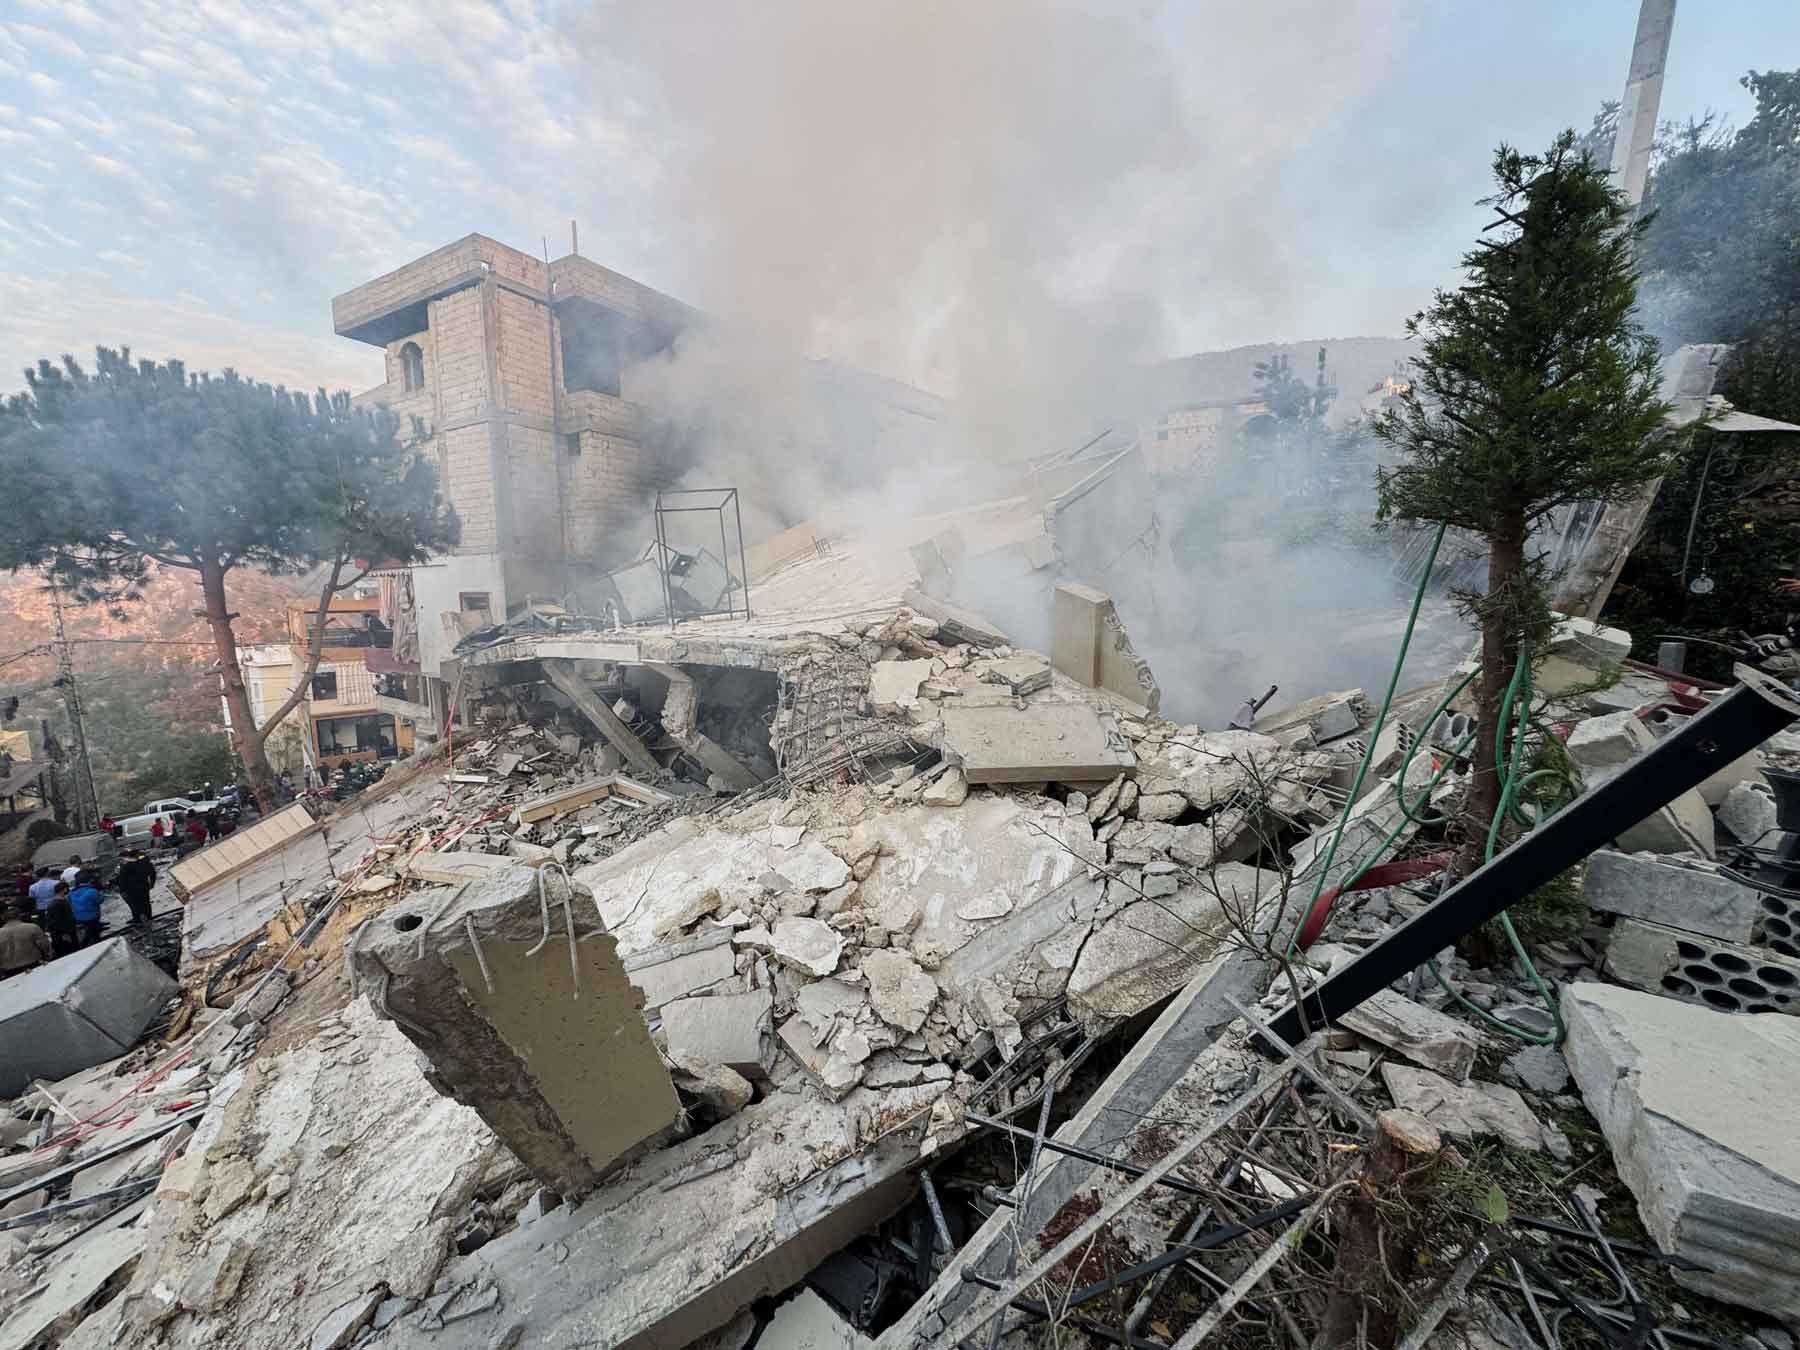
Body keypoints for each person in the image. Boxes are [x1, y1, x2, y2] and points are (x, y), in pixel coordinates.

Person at [0, 902, 51, 977]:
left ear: (3, 918)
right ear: (19, 915)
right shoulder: (32, 927)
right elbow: (45, 945)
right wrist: (47, 957)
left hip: (10, 972)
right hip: (34, 965)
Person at [116, 849, 156, 927]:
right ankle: (148, 917)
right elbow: (153, 873)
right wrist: (152, 883)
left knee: (135, 905)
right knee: (146, 902)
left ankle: (138, 920)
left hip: (131, 889)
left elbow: (122, 879)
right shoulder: (145, 863)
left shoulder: (126, 866)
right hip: (144, 887)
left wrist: (122, 890)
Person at [68, 872, 105, 948]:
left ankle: (93, 940)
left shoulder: (71, 892)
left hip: (77, 917)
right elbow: (100, 900)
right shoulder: (92, 891)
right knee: (92, 931)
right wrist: (101, 892)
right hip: (92, 917)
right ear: (89, 881)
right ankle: (87, 944)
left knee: (91, 930)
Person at [42, 881, 76, 957]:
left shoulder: (60, 901)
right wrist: (64, 933)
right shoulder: (57, 904)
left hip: (66, 932)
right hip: (63, 934)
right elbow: (56, 921)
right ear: (64, 889)